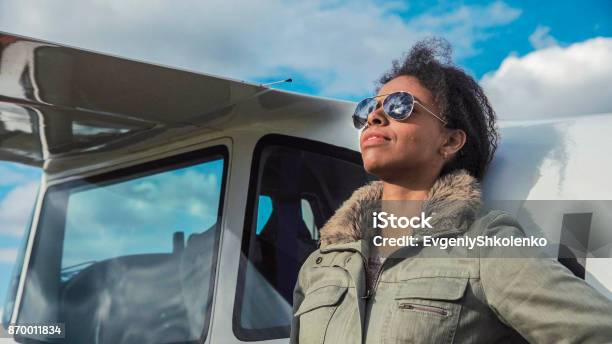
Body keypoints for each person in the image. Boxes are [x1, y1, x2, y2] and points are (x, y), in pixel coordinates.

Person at [290, 38, 612, 343]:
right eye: (368, 108)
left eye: (400, 105)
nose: (375, 116)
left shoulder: (485, 246)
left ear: (449, 141)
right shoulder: (319, 265)